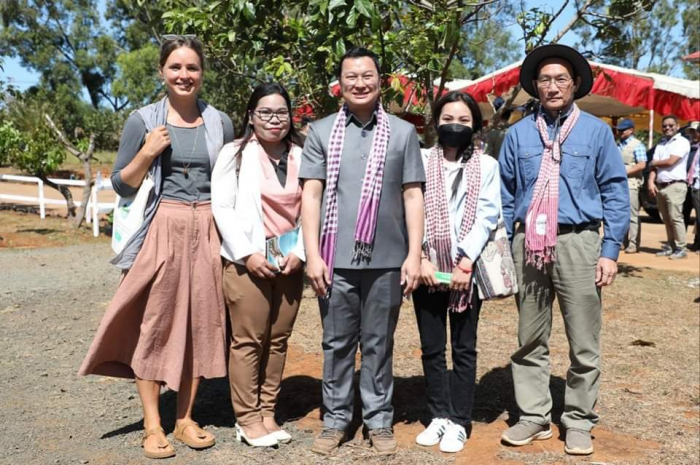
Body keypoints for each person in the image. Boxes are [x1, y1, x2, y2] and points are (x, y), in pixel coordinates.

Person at [79, 36, 234, 459]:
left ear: (202, 73)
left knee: (201, 323)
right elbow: (121, 184)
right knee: (154, 323)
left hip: (208, 227)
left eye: (192, 67)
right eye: (175, 67)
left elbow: (229, 181)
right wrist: (147, 152)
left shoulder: (220, 122)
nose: (184, 75)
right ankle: (152, 423)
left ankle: (184, 418)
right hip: (162, 225)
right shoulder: (142, 120)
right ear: (162, 71)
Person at [498, 44, 629, 456]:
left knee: (583, 340)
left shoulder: (596, 132)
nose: (552, 87)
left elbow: (615, 191)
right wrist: (503, 246)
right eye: (545, 80)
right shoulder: (518, 134)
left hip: (579, 242)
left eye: (560, 79)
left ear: (574, 84)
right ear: (535, 86)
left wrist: (609, 251)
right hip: (528, 244)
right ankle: (534, 416)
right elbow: (505, 195)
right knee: (529, 337)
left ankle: (578, 420)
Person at [299, 46, 425, 456]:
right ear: (340, 84)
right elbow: (311, 194)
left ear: (380, 80)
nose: (359, 83)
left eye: (366, 75)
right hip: (334, 259)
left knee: (378, 344)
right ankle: (335, 420)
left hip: (388, 259)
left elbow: (412, 195)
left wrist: (414, 254)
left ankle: (379, 420)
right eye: (351, 76)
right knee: (336, 343)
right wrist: (313, 254)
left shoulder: (403, 133)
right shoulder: (320, 132)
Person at [211, 82, 306, 447]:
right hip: (246, 262)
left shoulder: (303, 155)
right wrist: (248, 254)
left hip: (290, 262)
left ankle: (267, 412)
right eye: (265, 112)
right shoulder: (234, 154)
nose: (273, 119)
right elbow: (222, 208)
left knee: (278, 339)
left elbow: (312, 207)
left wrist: (302, 252)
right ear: (251, 116)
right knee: (249, 340)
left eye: (281, 112)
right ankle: (247, 418)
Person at [412, 91, 500, 453]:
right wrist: (420, 257)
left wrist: (466, 262)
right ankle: (438, 415)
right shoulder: (419, 160)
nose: (455, 125)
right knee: (432, 347)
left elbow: (488, 214)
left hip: (467, 271)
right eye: (448, 118)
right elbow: (410, 208)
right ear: (436, 121)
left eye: (464, 120)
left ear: (475, 125)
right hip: (427, 269)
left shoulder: (487, 165)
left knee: (464, 348)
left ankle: (460, 420)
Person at [648, 115, 691, 259]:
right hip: (661, 186)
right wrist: (651, 181)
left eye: (671, 125)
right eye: (665, 126)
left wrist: (654, 163)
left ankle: (681, 248)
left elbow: (671, 161)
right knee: (666, 218)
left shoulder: (682, 142)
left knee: (675, 217)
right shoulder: (661, 144)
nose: (667, 128)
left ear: (677, 126)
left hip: (676, 185)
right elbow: (654, 166)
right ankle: (671, 246)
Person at [615, 118, 647, 253]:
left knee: (633, 215)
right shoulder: (618, 144)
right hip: (618, 183)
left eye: (623, 130)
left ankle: (634, 243)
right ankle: (622, 241)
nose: (620, 132)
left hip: (632, 183)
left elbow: (642, 164)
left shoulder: (637, 145)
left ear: (631, 130)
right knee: (620, 214)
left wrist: (624, 172)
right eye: (619, 130)